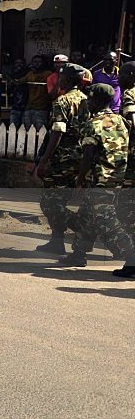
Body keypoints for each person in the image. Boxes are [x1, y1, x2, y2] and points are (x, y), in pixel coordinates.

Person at [59, 83, 135, 268]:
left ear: (98, 101)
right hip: (120, 177)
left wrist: (78, 181)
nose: (88, 102)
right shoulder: (121, 121)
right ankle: (78, 253)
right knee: (87, 216)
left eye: (90, 99)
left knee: (106, 221)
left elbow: (88, 157)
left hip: (100, 181)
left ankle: (131, 257)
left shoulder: (93, 124)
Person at [33, 64, 88, 256]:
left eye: (61, 77)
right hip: (80, 157)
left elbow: (57, 133)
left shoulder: (62, 101)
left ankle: (80, 226)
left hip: (62, 159)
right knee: (59, 200)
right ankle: (57, 242)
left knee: (49, 202)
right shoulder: (86, 100)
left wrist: (44, 160)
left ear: (66, 80)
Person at [113, 61, 135, 278]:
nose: (118, 78)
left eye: (122, 74)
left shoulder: (130, 94)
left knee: (127, 211)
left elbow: (132, 121)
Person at [13, 56, 52, 128]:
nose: (37, 64)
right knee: (27, 130)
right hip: (29, 107)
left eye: (39, 62)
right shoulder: (30, 74)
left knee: (41, 131)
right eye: (35, 62)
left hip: (42, 108)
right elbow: (17, 82)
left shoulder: (48, 74)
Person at [7, 58, 28, 128]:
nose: (19, 65)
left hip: (26, 107)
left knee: (24, 128)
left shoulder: (28, 75)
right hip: (15, 107)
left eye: (21, 63)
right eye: (17, 63)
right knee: (12, 127)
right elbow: (8, 92)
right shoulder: (11, 75)